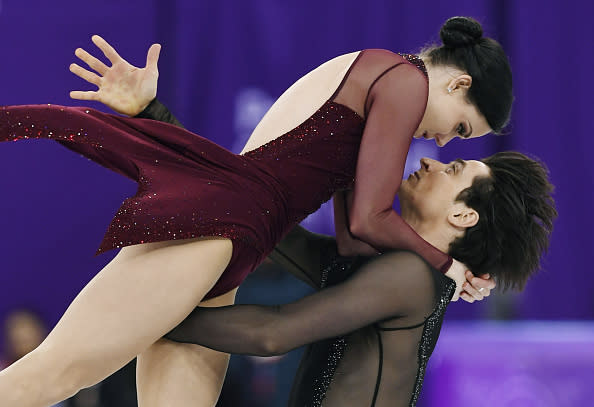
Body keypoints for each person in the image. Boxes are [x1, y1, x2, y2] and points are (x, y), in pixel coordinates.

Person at [0, 16, 510, 407]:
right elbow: (367, 220)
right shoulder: (404, 82)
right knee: (52, 374)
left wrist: (421, 278)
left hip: (233, 237)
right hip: (220, 229)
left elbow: (350, 247)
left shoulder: (382, 89)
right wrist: (447, 267)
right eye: (461, 129)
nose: (442, 141)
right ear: (457, 85)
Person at [163, 151, 556, 406]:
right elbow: (262, 223)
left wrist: (147, 323)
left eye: (450, 170)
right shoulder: (390, 267)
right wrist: (153, 117)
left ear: (463, 216)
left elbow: (273, 334)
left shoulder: (411, 276)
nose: (428, 163)